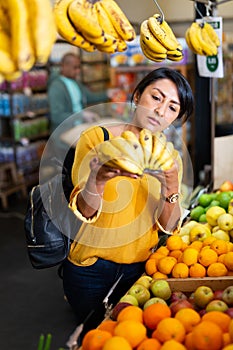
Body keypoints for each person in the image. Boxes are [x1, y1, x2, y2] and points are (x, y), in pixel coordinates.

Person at [62, 67, 194, 342]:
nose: (160, 111)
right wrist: (97, 180)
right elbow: (84, 212)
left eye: (172, 107)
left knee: (130, 340)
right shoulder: (98, 139)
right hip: (90, 268)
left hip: (141, 270)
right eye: (156, 97)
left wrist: (170, 186)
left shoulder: (170, 159)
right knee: (94, 339)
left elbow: (169, 227)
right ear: (136, 96)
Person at [47, 52, 110, 132]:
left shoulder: (75, 83)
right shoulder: (56, 87)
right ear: (64, 66)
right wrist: (81, 115)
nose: (78, 71)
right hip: (64, 132)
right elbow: (57, 116)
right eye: (75, 68)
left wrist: (108, 94)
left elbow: (89, 97)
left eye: (79, 68)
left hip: (80, 127)